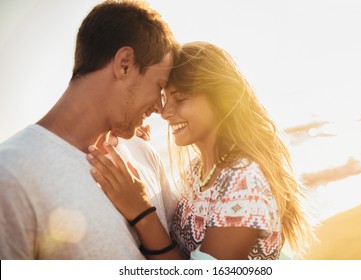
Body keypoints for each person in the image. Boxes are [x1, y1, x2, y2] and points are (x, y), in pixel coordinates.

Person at [87, 41, 314, 260]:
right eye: (166, 98)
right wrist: (134, 144)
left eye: (180, 98)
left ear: (222, 99)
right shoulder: (199, 170)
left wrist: (141, 212)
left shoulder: (246, 185)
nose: (165, 112)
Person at [0, 0, 178, 259]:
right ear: (124, 64)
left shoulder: (144, 155)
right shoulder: (12, 175)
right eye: (158, 86)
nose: (159, 108)